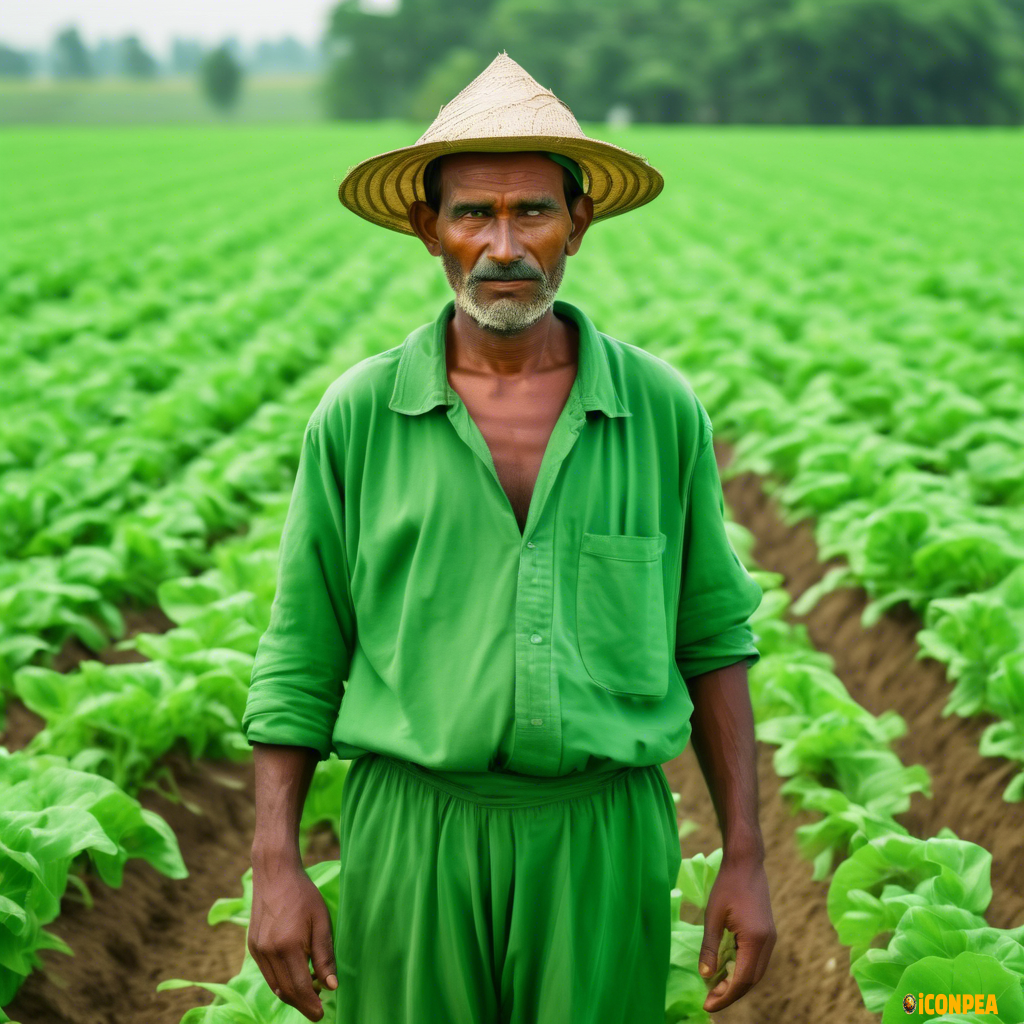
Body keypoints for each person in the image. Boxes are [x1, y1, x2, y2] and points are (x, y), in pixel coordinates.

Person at [241, 51, 776, 1024]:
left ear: (579, 220)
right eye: (471, 215)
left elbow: (710, 637)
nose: (502, 246)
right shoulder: (359, 415)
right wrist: (275, 861)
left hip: (600, 832)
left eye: (531, 211)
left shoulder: (658, 409)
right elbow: (301, 650)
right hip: (413, 831)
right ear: (428, 229)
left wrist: (745, 854)